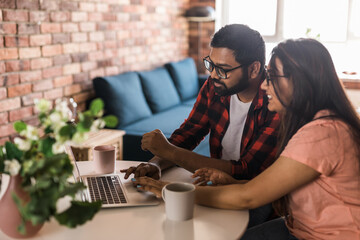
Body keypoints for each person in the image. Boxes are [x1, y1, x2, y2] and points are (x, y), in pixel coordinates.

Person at [133, 38, 360, 240]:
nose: (264, 85)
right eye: (211, 66)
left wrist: (166, 189)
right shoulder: (315, 124)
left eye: (271, 78)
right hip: (298, 224)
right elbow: (279, 188)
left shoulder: (321, 133)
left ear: (301, 82)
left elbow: (247, 197)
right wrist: (157, 163)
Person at [121, 24, 280, 227]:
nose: (213, 75)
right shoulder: (214, 87)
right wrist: (156, 164)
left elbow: (246, 171)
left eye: (222, 69)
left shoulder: (275, 101)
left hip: (257, 198)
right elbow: (189, 133)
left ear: (254, 68)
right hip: (217, 185)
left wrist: (169, 151)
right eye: (210, 65)